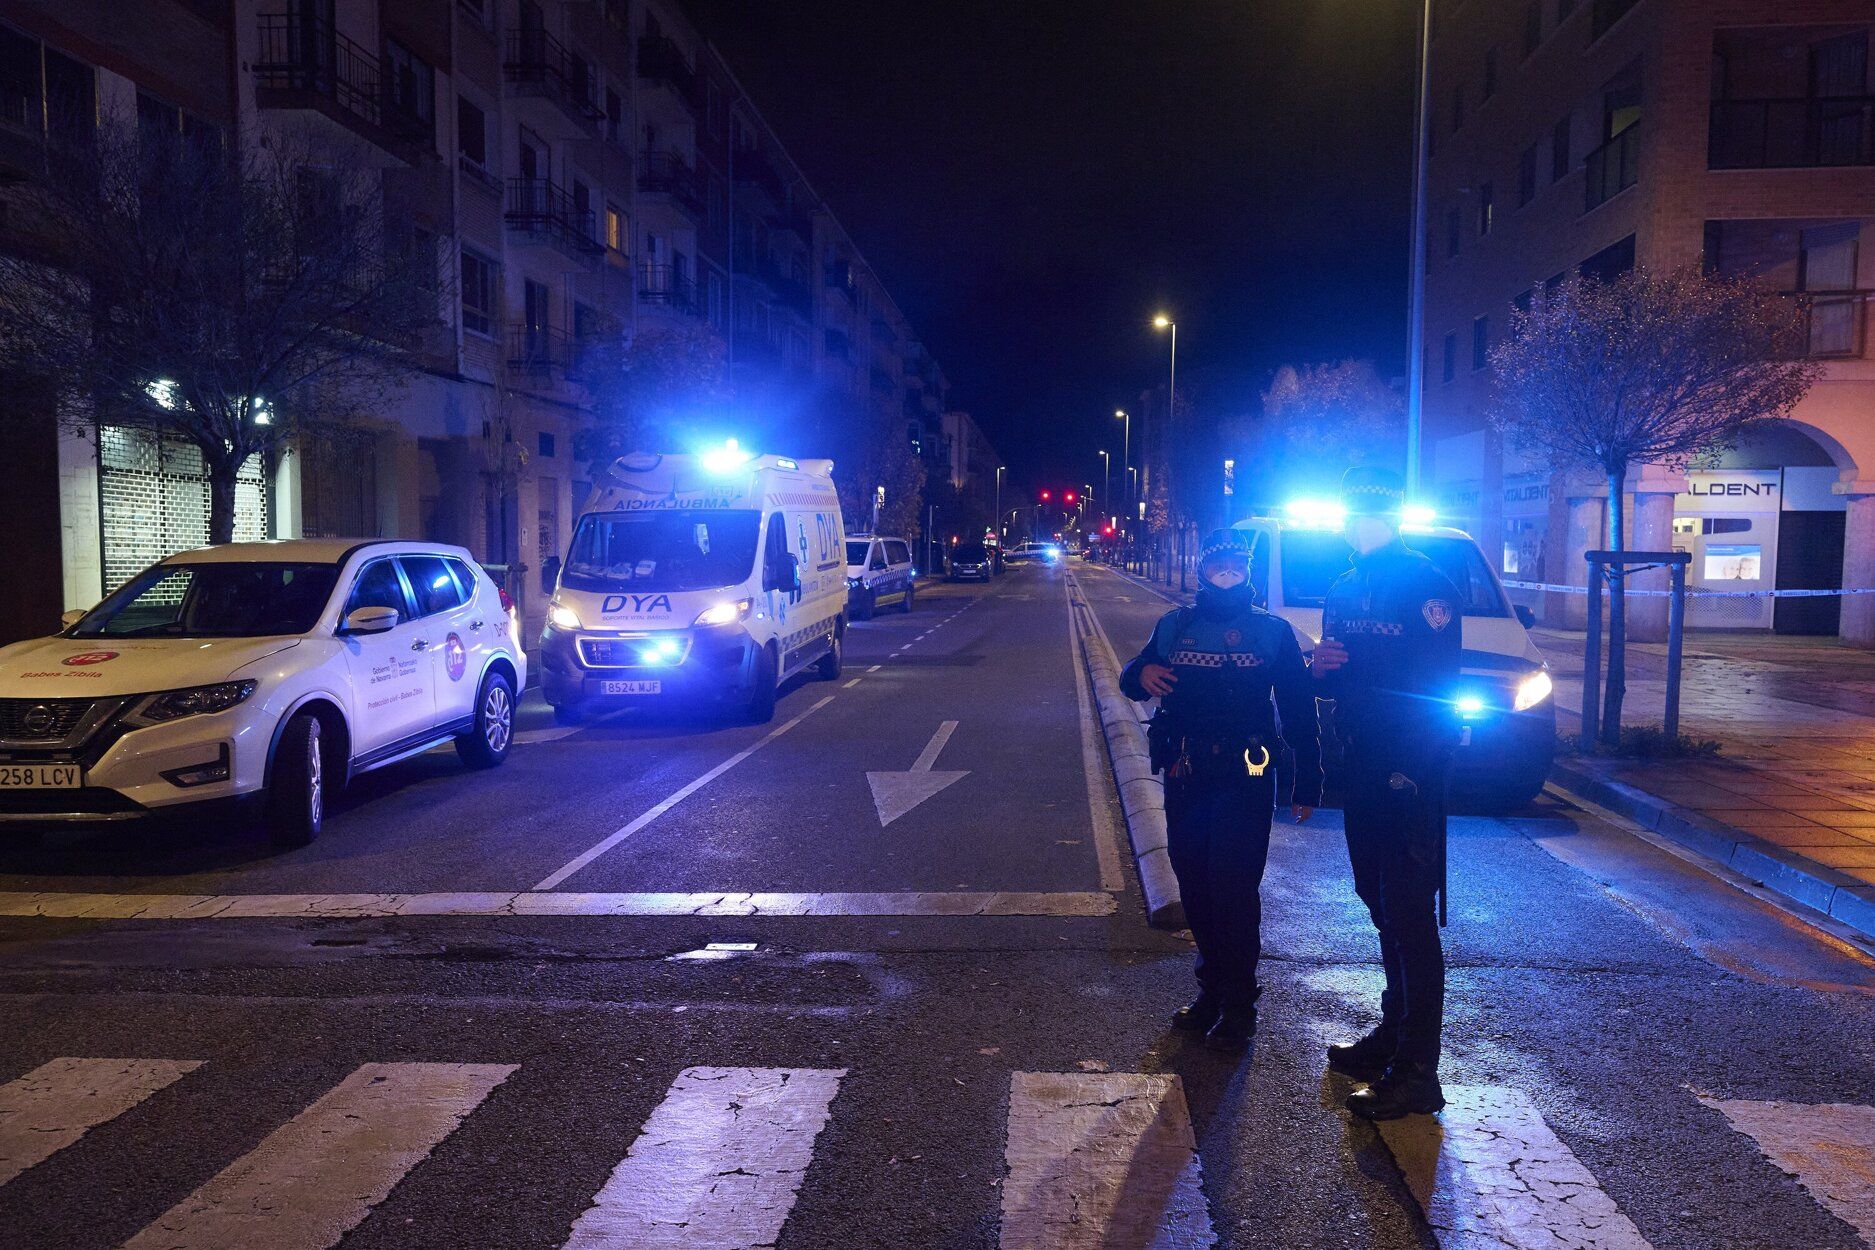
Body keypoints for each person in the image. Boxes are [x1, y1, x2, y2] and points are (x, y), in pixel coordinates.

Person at [1120, 528, 1322, 1051]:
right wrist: (1143, 675)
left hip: (1250, 770)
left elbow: (1300, 711)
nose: (1226, 574)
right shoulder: (1176, 625)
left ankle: (1238, 1004)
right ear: (1201, 571)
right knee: (1194, 884)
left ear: (1247, 571)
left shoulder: (1274, 633)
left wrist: (1308, 778)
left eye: (1235, 565)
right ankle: (1210, 991)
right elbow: (1130, 676)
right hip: (1186, 769)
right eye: (1218, 566)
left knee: (1233, 885)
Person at [1310, 466, 1463, 1119]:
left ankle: (1416, 1071)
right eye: (1352, 513)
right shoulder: (1343, 586)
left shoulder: (1428, 583)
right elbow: (1337, 674)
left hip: (1408, 769)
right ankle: (1391, 1034)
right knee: (1375, 900)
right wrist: (1320, 670)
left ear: (1390, 517)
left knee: (1407, 913)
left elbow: (1437, 683)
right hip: (1361, 764)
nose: (1357, 523)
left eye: (1368, 513)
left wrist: (1416, 768)